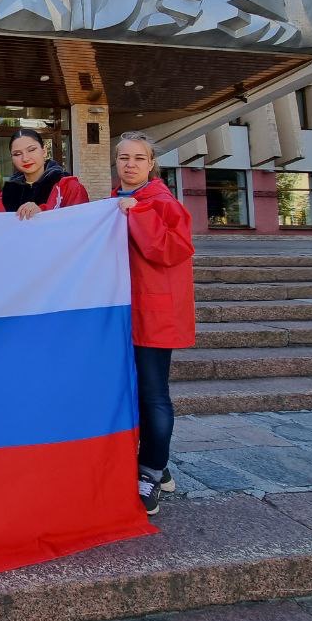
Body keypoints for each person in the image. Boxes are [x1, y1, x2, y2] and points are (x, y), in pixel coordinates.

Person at [114, 131, 195, 517]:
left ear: (151, 165)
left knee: (153, 395)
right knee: (132, 393)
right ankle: (155, 468)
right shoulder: (116, 202)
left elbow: (170, 250)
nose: (129, 164)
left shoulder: (161, 203)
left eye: (138, 159)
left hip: (153, 314)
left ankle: (150, 472)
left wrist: (138, 214)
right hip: (122, 313)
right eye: (123, 158)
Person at [3, 128, 90, 219]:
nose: (25, 158)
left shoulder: (69, 187)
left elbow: (80, 223)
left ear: (44, 151)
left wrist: (42, 212)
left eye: (31, 150)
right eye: (17, 154)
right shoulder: (8, 191)